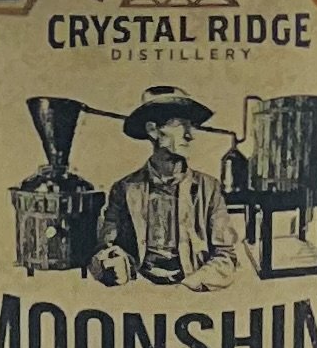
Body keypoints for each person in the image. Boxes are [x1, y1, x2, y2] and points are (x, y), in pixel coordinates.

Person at [88, 86, 240, 291]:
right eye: (181, 125)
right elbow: (104, 248)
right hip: (138, 288)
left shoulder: (209, 188)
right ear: (153, 130)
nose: (190, 135)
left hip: (192, 290)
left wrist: (189, 285)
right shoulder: (124, 188)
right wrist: (113, 264)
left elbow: (226, 256)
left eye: (192, 126)